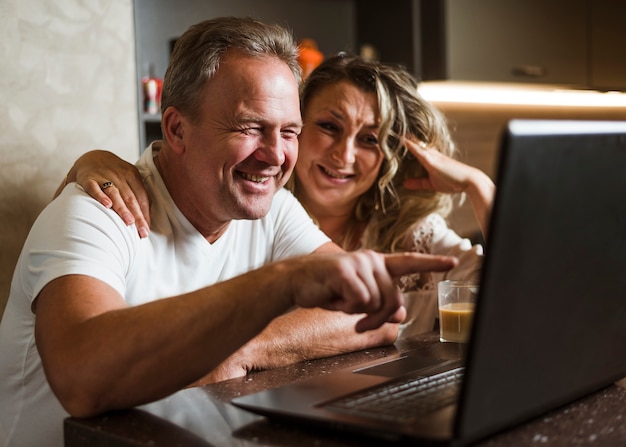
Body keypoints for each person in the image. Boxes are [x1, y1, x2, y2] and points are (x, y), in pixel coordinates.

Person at [0, 18, 458, 447]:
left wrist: (244, 347)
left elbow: (381, 313)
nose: (276, 155)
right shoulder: (95, 211)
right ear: (177, 129)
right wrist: (281, 284)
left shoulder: (275, 207)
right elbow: (83, 381)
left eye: (290, 132)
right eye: (251, 127)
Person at [66, 54, 494, 340]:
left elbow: (518, 293)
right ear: (293, 126)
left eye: (369, 139)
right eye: (328, 126)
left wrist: (479, 185)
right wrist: (88, 162)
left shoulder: (411, 233)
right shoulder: (245, 209)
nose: (344, 155)